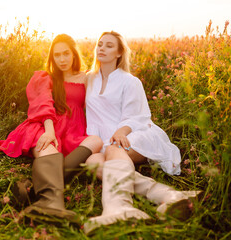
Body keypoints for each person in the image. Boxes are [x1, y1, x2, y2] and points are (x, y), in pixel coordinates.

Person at [83, 31, 201, 234]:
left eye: (109, 46)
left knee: (114, 147)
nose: (102, 48)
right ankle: (171, 196)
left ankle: (118, 207)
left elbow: (139, 116)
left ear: (119, 53)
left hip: (134, 133)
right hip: (104, 140)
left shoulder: (130, 81)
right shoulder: (89, 79)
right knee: (92, 163)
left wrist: (121, 131)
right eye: (100, 44)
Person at [0, 34, 103, 223]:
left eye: (66, 54)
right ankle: (52, 205)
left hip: (73, 131)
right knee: (49, 149)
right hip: (45, 125)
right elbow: (43, 103)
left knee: (96, 140)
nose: (61, 59)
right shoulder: (46, 77)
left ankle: (32, 191)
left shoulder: (87, 78)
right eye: (57, 55)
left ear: (74, 53)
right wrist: (49, 131)